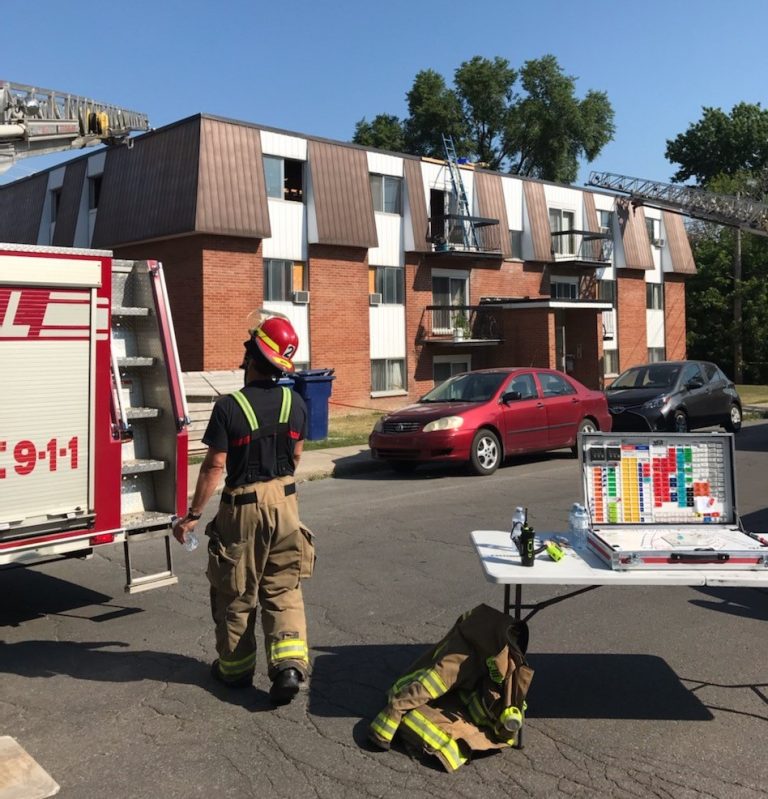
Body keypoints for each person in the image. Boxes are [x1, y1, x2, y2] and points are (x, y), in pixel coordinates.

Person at [173, 315, 314, 705]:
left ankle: (234, 671)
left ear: (252, 354)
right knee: (283, 586)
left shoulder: (229, 407)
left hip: (244, 507)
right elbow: (298, 453)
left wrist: (193, 514)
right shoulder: (296, 401)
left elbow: (215, 465)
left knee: (234, 588)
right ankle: (288, 667)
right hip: (286, 502)